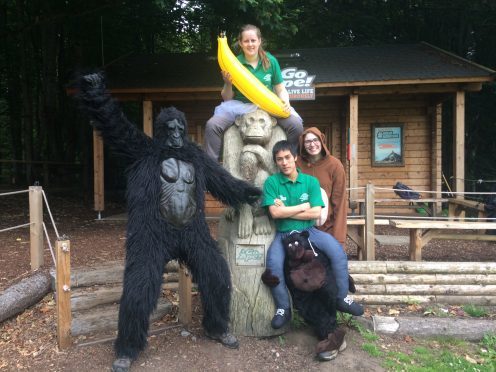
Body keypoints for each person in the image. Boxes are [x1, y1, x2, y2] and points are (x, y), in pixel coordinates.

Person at [262, 140, 363, 330]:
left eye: (287, 158)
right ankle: (283, 308)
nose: (284, 162)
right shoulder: (271, 182)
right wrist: (302, 206)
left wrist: (287, 210)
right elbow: (275, 214)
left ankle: (342, 297)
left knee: (337, 252)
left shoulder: (310, 182)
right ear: (276, 162)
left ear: (295, 158)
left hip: (309, 231)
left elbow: (316, 213)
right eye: (279, 159)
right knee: (273, 266)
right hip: (283, 234)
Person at [204, 24, 303, 161]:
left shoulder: (270, 61)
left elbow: (280, 89)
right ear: (240, 43)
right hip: (239, 107)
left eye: (253, 40)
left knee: (296, 125)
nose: (250, 44)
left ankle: (289, 158)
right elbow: (227, 98)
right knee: (212, 125)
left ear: (259, 41)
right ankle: (211, 168)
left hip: (267, 105)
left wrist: (285, 102)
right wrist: (228, 83)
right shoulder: (234, 63)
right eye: (246, 41)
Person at [296, 127, 347, 246]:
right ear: (302, 144)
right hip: (301, 227)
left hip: (326, 228)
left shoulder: (335, 165)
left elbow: (339, 202)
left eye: (315, 140)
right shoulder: (296, 164)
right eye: (308, 142)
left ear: (321, 141)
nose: (312, 144)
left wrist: (339, 237)